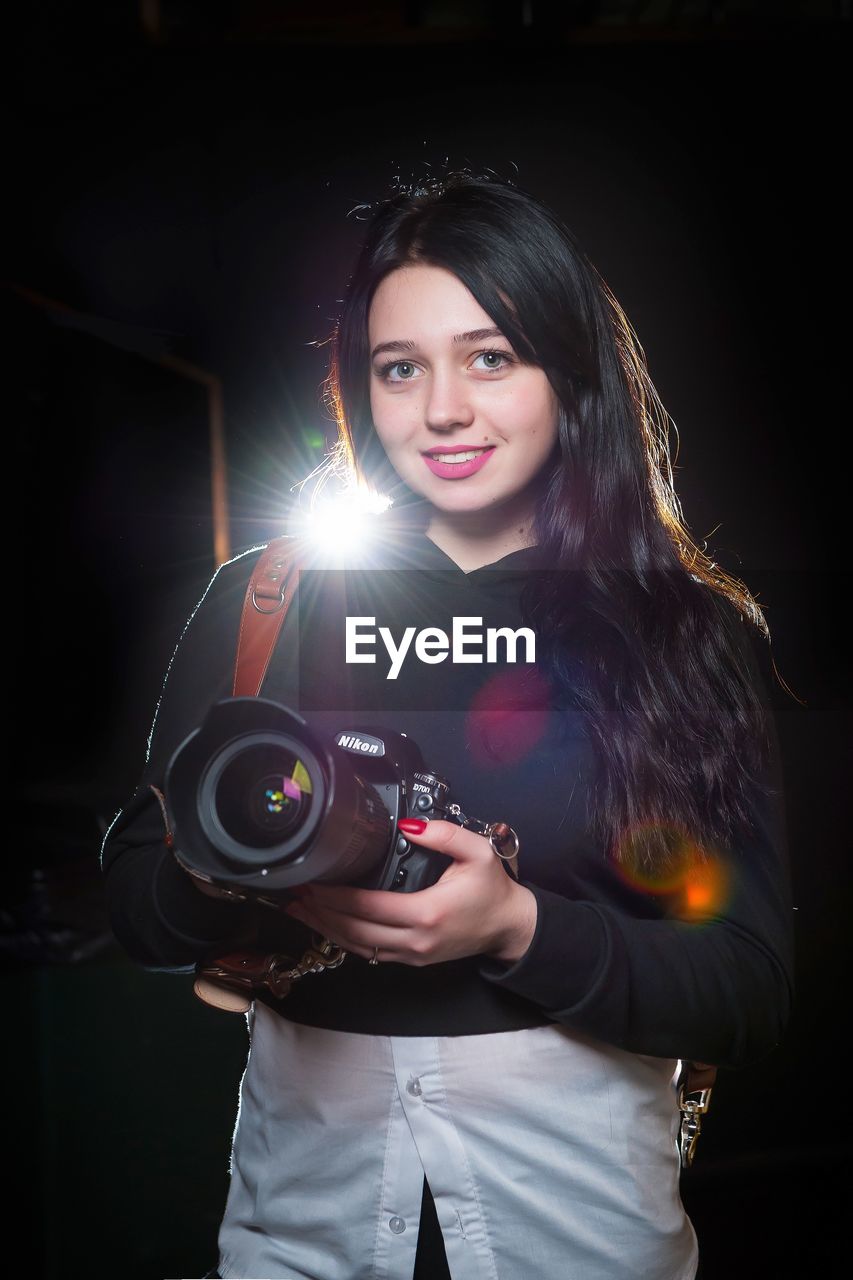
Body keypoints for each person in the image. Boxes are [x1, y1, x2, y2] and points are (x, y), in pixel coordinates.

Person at [101, 172, 793, 1280]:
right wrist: (243, 863)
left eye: (489, 356)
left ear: (568, 373)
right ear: (360, 387)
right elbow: (135, 898)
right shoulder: (270, 599)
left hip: (580, 1229)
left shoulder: (679, 628)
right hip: (301, 1227)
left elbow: (748, 985)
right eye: (399, 367)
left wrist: (516, 926)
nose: (442, 411)